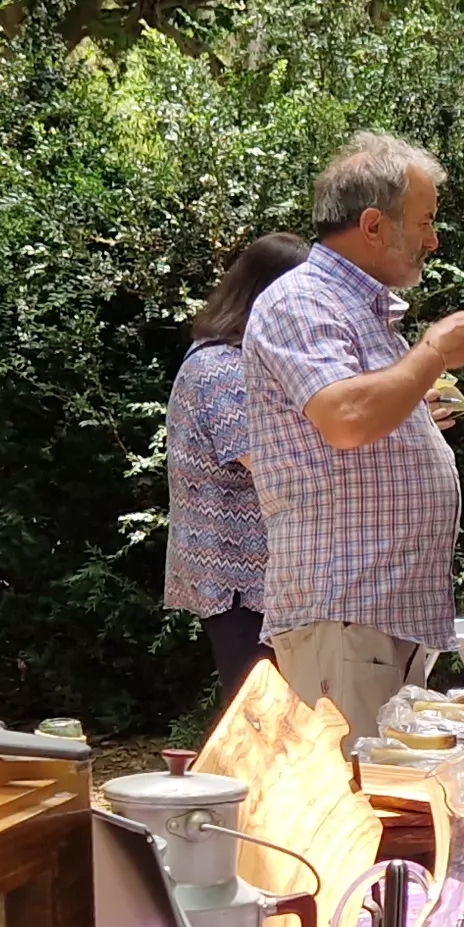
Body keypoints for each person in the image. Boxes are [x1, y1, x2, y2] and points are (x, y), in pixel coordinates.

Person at [244, 134, 464, 741]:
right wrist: (433, 351)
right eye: (425, 222)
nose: (433, 240)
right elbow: (347, 417)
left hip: (374, 615)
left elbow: (361, 413)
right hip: (345, 613)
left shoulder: (357, 310)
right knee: (354, 791)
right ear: (374, 225)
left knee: (386, 790)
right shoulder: (301, 300)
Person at [167, 233, 312, 721]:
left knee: (274, 720)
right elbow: (272, 464)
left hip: (258, 576)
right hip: (238, 578)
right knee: (263, 722)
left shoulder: (240, 361)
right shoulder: (220, 369)